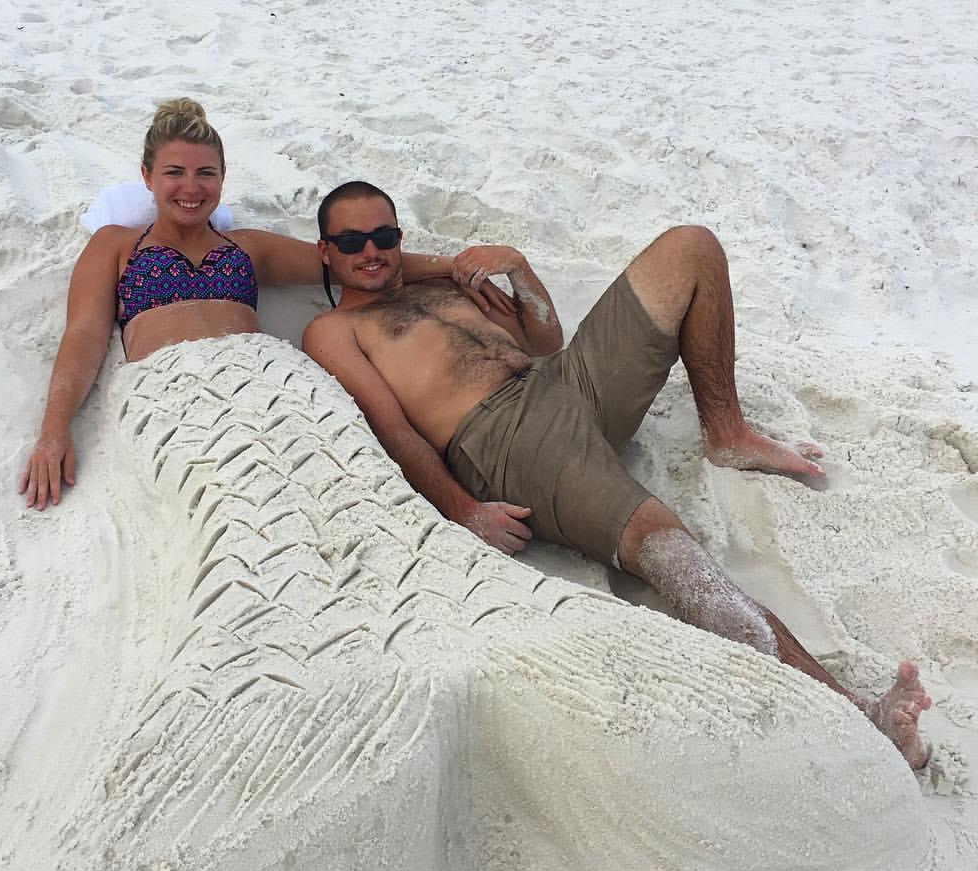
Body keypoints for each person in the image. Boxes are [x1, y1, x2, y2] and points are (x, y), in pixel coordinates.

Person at [301, 180, 932, 770]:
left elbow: (545, 340)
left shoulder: (439, 288)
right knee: (675, 555)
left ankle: (727, 433)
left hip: (563, 380)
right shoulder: (333, 329)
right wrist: (464, 510)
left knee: (691, 248)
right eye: (352, 242)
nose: (373, 252)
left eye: (385, 237)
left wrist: (518, 268)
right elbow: (396, 431)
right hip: (506, 438)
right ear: (325, 251)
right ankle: (865, 720)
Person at [19, 101, 504, 512]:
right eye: (175, 173)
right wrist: (53, 431)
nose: (191, 187)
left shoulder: (246, 246)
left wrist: (456, 266)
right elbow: (83, 334)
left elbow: (353, 260)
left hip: (262, 375)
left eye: (205, 173)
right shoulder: (116, 244)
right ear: (147, 177)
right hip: (175, 385)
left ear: (223, 178)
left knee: (338, 481)